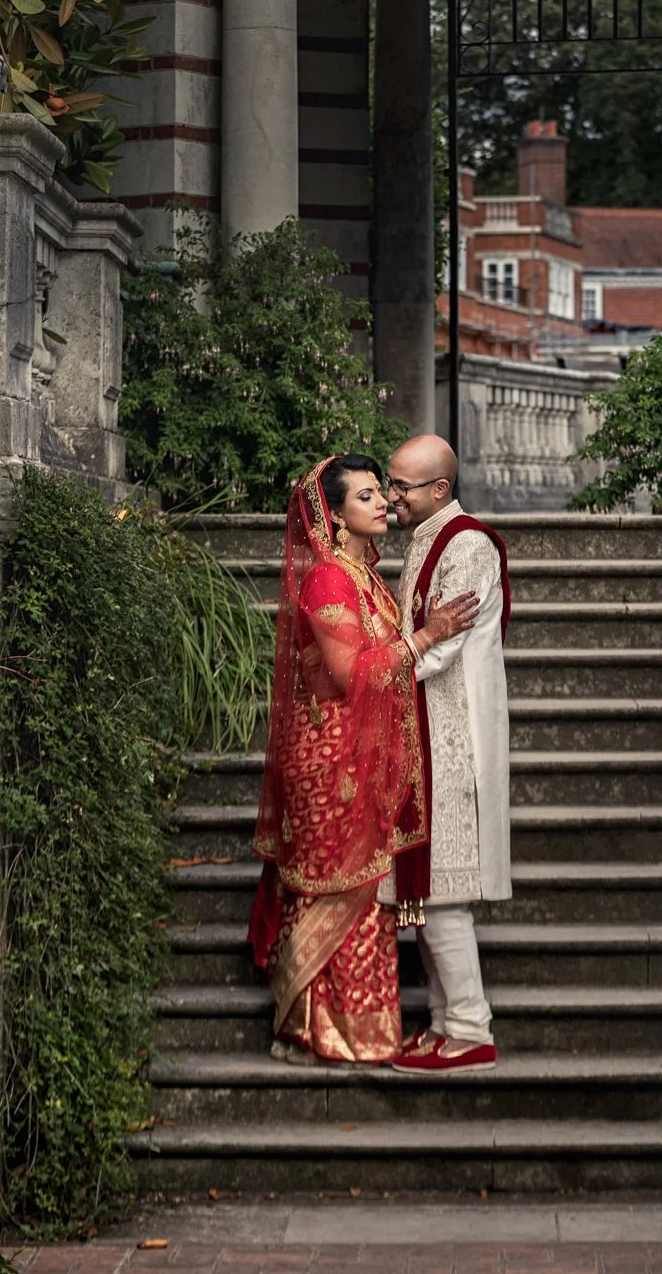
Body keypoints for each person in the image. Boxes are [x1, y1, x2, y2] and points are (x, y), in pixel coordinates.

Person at [249, 453, 478, 1063]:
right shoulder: (330, 578)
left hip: (360, 758)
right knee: (335, 891)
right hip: (328, 761)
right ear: (336, 516)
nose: (383, 503)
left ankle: (355, 1032)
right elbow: (350, 673)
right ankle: (313, 1030)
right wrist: (426, 636)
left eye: (383, 492)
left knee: (367, 898)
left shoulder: (364, 575)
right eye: (367, 496)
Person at [381, 433, 512, 1074]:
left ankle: (470, 1028)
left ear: (439, 489)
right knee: (426, 892)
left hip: (451, 737)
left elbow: (439, 649)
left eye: (401, 485)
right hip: (423, 731)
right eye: (388, 481)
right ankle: (441, 1024)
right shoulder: (427, 539)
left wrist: (375, 670)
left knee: (441, 892)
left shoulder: (468, 545)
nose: (390, 494)